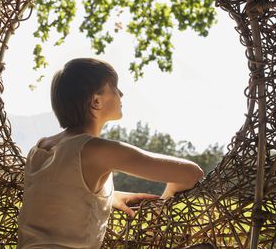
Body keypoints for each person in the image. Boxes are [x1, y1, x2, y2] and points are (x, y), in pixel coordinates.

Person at [17, 58, 204, 248]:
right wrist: (166, 199)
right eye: (114, 88)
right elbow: (192, 173)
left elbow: (56, 194)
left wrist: (110, 196)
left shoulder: (40, 148)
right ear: (96, 101)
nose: (121, 94)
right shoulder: (97, 150)